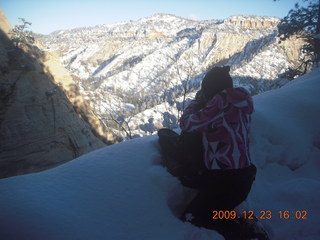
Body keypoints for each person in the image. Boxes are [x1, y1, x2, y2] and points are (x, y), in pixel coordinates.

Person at [158, 66, 261, 239]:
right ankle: (239, 223)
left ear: (209, 92)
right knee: (216, 209)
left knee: (194, 218)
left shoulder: (218, 108)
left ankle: (247, 232)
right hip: (244, 176)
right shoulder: (241, 102)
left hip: (224, 181)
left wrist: (195, 104)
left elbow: (186, 123)